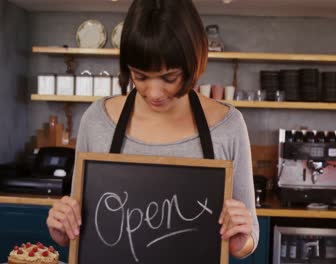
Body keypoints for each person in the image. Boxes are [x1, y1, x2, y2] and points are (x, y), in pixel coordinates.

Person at [46, 0, 258, 259]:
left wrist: (240, 241)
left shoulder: (229, 125)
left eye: (169, 78)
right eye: (141, 76)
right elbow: (79, 230)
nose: (154, 93)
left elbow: (249, 238)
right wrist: (62, 227)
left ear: (193, 63)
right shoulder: (97, 120)